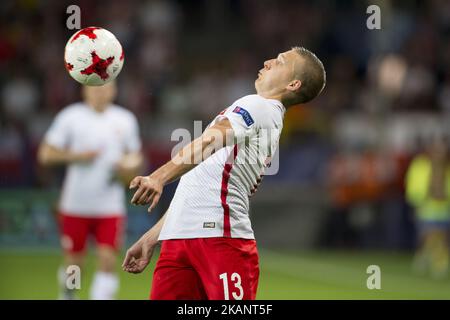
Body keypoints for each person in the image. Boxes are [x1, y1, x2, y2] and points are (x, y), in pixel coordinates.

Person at [122, 47, 326, 300]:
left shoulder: (260, 106)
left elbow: (209, 141)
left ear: (293, 83)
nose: (268, 61)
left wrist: (158, 177)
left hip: (221, 238)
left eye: (280, 61)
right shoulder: (260, 113)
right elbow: (198, 184)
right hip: (181, 238)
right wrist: (154, 236)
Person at [38, 81, 143, 299]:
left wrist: (129, 165)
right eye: (95, 88)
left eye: (106, 87)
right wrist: (76, 156)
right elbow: (45, 154)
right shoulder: (71, 117)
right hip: (76, 205)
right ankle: (69, 293)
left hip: (109, 206)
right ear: (84, 90)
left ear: (114, 90)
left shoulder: (125, 120)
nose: (100, 92)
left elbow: (136, 157)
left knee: (107, 260)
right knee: (75, 263)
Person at [406, 135, 450, 279]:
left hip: (444, 209)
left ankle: (431, 259)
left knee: (441, 237)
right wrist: (419, 199)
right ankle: (435, 261)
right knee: (428, 236)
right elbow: (413, 184)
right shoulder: (421, 165)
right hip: (426, 207)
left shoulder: (446, 168)